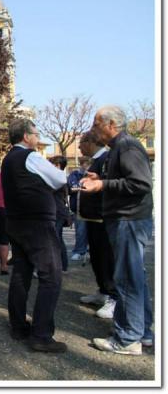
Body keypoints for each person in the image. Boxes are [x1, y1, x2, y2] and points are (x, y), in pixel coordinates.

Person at [81, 106, 154, 355]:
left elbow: (140, 183)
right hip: (127, 220)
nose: (93, 128)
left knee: (126, 280)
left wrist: (102, 184)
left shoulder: (127, 146)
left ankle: (127, 338)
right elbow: (127, 179)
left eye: (97, 123)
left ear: (111, 124)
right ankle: (142, 332)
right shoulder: (120, 148)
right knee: (134, 279)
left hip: (129, 221)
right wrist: (99, 177)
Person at [2, 119, 68, 353]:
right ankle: (41, 335)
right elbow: (60, 179)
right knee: (51, 276)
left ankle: (18, 325)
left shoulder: (8, 159)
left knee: (21, 273)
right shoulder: (30, 157)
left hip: (16, 221)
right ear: (25, 136)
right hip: (36, 223)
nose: (38, 138)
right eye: (35, 134)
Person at [76, 130, 117, 319]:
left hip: (102, 217)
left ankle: (113, 296)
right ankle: (103, 290)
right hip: (91, 218)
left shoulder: (107, 158)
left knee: (106, 257)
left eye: (81, 143)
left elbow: (108, 185)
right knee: (97, 256)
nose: (79, 147)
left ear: (91, 142)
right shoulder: (96, 160)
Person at [49, 155, 71, 273]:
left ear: (58, 165)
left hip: (57, 211)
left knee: (55, 238)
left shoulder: (58, 178)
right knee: (58, 238)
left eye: (52, 164)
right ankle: (63, 265)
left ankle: (58, 266)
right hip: (59, 211)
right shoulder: (61, 177)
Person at [68, 157, 91, 261]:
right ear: (82, 164)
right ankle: (79, 251)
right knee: (80, 231)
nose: (88, 167)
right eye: (86, 164)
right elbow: (73, 187)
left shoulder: (93, 174)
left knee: (93, 232)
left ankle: (90, 251)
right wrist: (85, 186)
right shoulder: (75, 174)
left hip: (92, 208)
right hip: (79, 208)